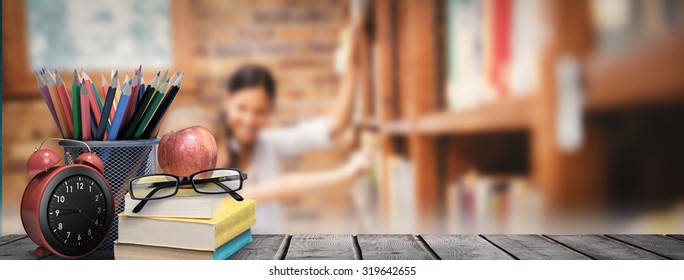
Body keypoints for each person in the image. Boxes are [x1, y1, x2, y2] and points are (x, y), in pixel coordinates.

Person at [215, 18, 368, 233]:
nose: (249, 120)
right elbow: (280, 188)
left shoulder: (266, 145)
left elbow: (335, 125)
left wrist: (353, 64)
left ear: (271, 110)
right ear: (226, 101)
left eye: (259, 112)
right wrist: (345, 173)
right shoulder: (210, 154)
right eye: (241, 108)